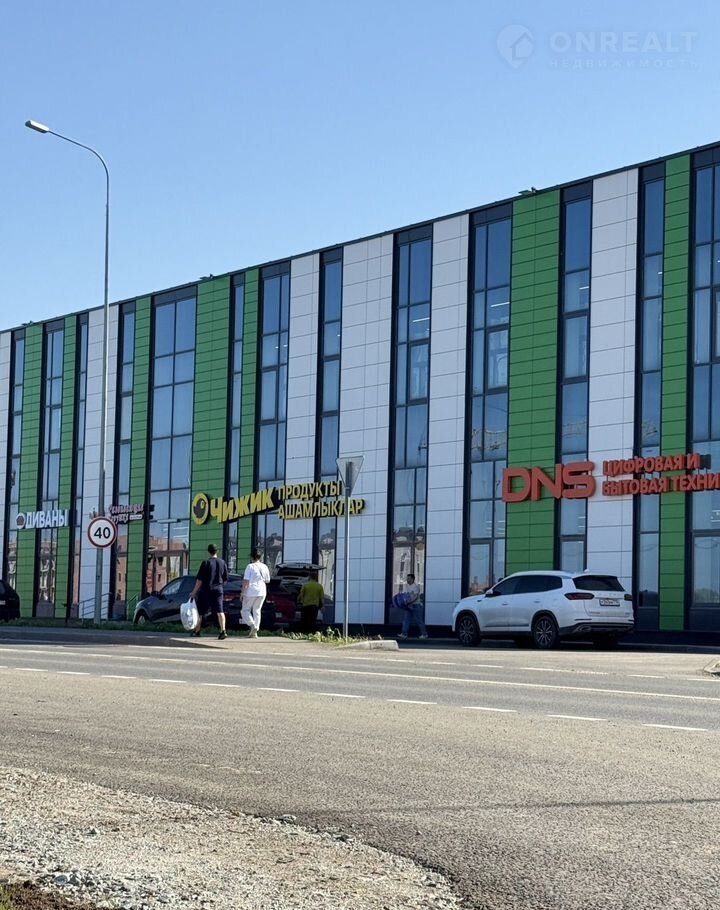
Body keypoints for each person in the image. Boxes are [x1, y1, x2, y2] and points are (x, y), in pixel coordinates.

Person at [190, 543, 229, 640]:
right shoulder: (222, 563)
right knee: (220, 611)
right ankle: (223, 631)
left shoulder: (206, 563)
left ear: (208, 552)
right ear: (217, 551)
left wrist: (194, 592)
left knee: (200, 612)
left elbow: (199, 580)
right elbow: (225, 578)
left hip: (206, 590)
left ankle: (197, 631)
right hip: (218, 590)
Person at [241, 548, 271, 638]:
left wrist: (242, 593)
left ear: (252, 557)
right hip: (262, 591)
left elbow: (246, 581)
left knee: (245, 610)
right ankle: (255, 631)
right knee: (257, 610)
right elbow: (268, 580)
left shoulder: (250, 566)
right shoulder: (265, 566)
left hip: (251, 591)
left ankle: (252, 625)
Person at [397, 573, 428, 641]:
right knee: (406, 619)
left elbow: (416, 597)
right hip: (409, 605)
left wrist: (409, 602)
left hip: (416, 605)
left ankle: (424, 634)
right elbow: (407, 595)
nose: (407, 580)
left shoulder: (415, 586)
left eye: (409, 578)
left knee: (419, 620)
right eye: (407, 578)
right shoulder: (407, 586)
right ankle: (404, 634)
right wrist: (405, 601)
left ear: (412, 579)